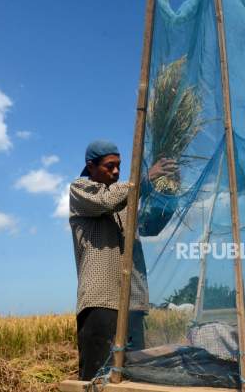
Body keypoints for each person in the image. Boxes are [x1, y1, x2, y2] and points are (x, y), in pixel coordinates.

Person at [69, 140, 177, 380]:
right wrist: (146, 179)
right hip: (102, 300)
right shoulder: (81, 190)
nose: (116, 171)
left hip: (133, 301)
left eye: (119, 165)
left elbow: (151, 226)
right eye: (110, 166)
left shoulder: (126, 200)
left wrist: (169, 190)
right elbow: (107, 201)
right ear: (91, 166)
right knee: (99, 375)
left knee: (135, 374)